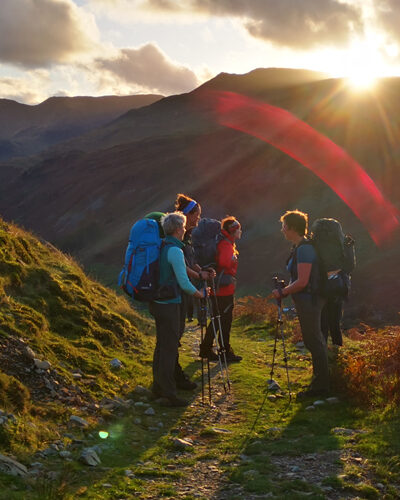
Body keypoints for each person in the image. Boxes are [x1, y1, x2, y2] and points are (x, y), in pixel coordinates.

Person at [149, 212, 209, 407]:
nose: (185, 230)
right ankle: (168, 393)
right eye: (183, 227)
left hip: (157, 302)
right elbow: (183, 282)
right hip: (169, 304)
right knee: (169, 348)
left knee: (162, 346)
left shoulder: (162, 245)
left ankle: (158, 387)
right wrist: (201, 294)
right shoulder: (175, 251)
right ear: (176, 229)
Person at [272, 210, 329, 399]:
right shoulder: (301, 247)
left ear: (291, 227)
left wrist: (282, 292)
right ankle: (319, 382)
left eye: (284, 226)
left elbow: (303, 281)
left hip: (309, 300)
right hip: (308, 299)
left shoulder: (304, 249)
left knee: (314, 340)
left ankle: (321, 386)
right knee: (313, 339)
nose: (282, 230)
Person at [173, 194, 215, 389]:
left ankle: (173, 373)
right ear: (187, 215)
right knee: (175, 333)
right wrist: (199, 277)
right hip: (175, 291)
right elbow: (180, 264)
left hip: (182, 290)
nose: (199, 218)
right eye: (197, 214)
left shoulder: (186, 237)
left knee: (177, 331)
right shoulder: (176, 236)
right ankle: (173, 375)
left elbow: (190, 261)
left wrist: (201, 271)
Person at [199, 216, 243, 363]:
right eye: (238, 229)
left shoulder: (224, 242)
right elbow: (224, 262)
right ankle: (224, 351)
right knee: (224, 320)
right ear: (233, 231)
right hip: (224, 289)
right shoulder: (226, 244)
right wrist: (233, 262)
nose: (240, 231)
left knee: (218, 319)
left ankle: (206, 348)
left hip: (219, 287)